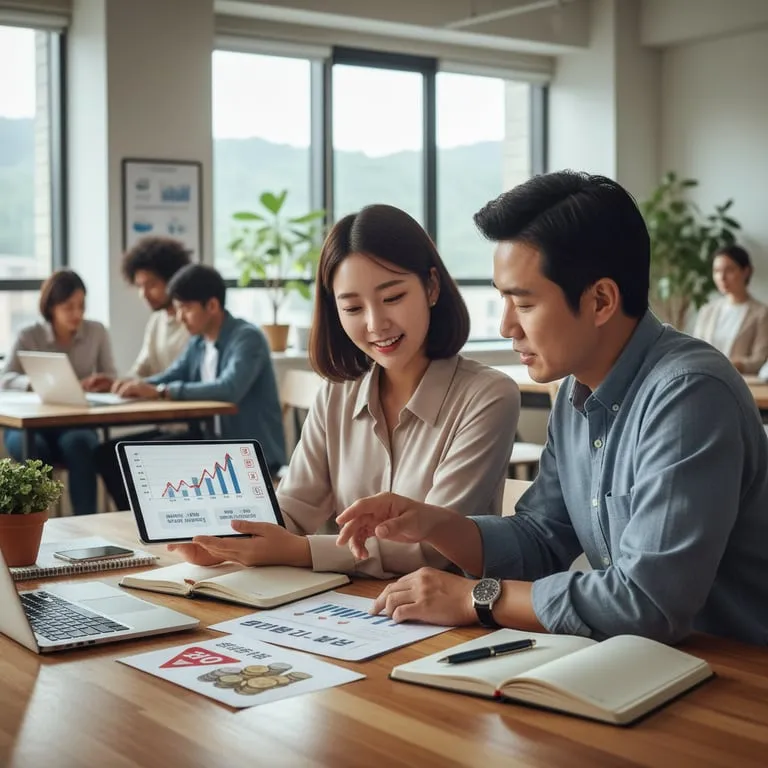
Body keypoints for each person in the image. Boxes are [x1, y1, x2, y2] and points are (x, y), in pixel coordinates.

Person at [336, 172, 768, 647]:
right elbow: (542, 538)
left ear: (601, 300)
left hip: (736, 679)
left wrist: (477, 597)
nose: (506, 327)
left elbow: (648, 603)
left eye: (522, 303)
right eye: (502, 300)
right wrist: (434, 522)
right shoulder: (574, 392)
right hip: (643, 665)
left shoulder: (689, 395)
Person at [169, 204, 520, 577]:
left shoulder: (489, 396)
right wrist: (227, 542)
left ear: (431, 287)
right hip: (351, 605)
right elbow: (294, 506)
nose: (376, 324)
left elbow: (433, 548)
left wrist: (302, 552)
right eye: (352, 307)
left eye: (392, 298)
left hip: (448, 613)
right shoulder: (337, 394)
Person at [94, 264, 287, 510]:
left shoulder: (247, 338)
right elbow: (173, 374)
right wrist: (132, 385)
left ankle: (152, 522)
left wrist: (163, 391)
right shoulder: (198, 341)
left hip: (244, 450)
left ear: (212, 306)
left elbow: (229, 389)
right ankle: (140, 523)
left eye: (186, 308)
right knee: (112, 455)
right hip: (209, 440)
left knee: (137, 459)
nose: (180, 316)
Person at [0, 269, 116, 515]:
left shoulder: (97, 332)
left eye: (81, 306)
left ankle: (88, 523)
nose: (77, 314)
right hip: (30, 425)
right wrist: (33, 383)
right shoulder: (29, 335)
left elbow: (113, 377)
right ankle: (39, 525)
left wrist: (103, 382)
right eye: (68, 306)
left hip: (76, 423)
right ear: (51, 306)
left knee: (81, 444)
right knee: (33, 450)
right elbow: (4, 379)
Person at [86, 237, 191, 393]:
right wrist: (116, 384)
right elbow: (142, 369)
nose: (144, 294)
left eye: (152, 285)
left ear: (173, 280)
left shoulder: (194, 324)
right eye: (140, 286)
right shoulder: (156, 320)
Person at [692, 244, 768, 374]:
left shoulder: (761, 313)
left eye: (729, 270)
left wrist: (728, 364)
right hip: (703, 379)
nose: (721, 277)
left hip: (740, 382)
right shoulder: (707, 311)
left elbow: (759, 359)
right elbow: (694, 350)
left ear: (746, 271)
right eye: (716, 271)